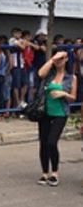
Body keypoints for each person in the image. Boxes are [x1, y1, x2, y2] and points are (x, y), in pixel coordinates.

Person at [36, 50, 77, 186]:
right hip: (45, 111)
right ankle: (44, 173)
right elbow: (40, 73)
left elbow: (73, 98)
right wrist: (52, 59)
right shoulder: (49, 74)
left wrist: (63, 93)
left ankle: (54, 172)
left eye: (62, 58)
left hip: (60, 113)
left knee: (52, 142)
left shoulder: (71, 77)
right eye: (58, 59)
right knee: (43, 143)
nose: (59, 61)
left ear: (66, 60)